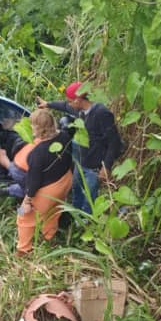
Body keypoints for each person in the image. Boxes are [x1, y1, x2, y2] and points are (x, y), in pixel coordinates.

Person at [36, 81, 123, 215]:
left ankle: (87, 220)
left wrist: (106, 166)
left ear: (78, 100)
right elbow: (64, 106)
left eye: (71, 101)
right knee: (76, 189)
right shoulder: (80, 110)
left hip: (94, 166)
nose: (69, 104)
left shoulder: (101, 113)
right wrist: (48, 104)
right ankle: (75, 215)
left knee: (90, 196)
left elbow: (114, 142)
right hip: (81, 163)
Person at [15, 108, 73, 255]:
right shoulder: (65, 136)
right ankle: (49, 237)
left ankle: (23, 250)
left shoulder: (37, 153)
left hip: (47, 191)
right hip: (65, 182)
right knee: (53, 212)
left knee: (23, 217)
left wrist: (27, 201)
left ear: (37, 128)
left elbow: (34, 182)